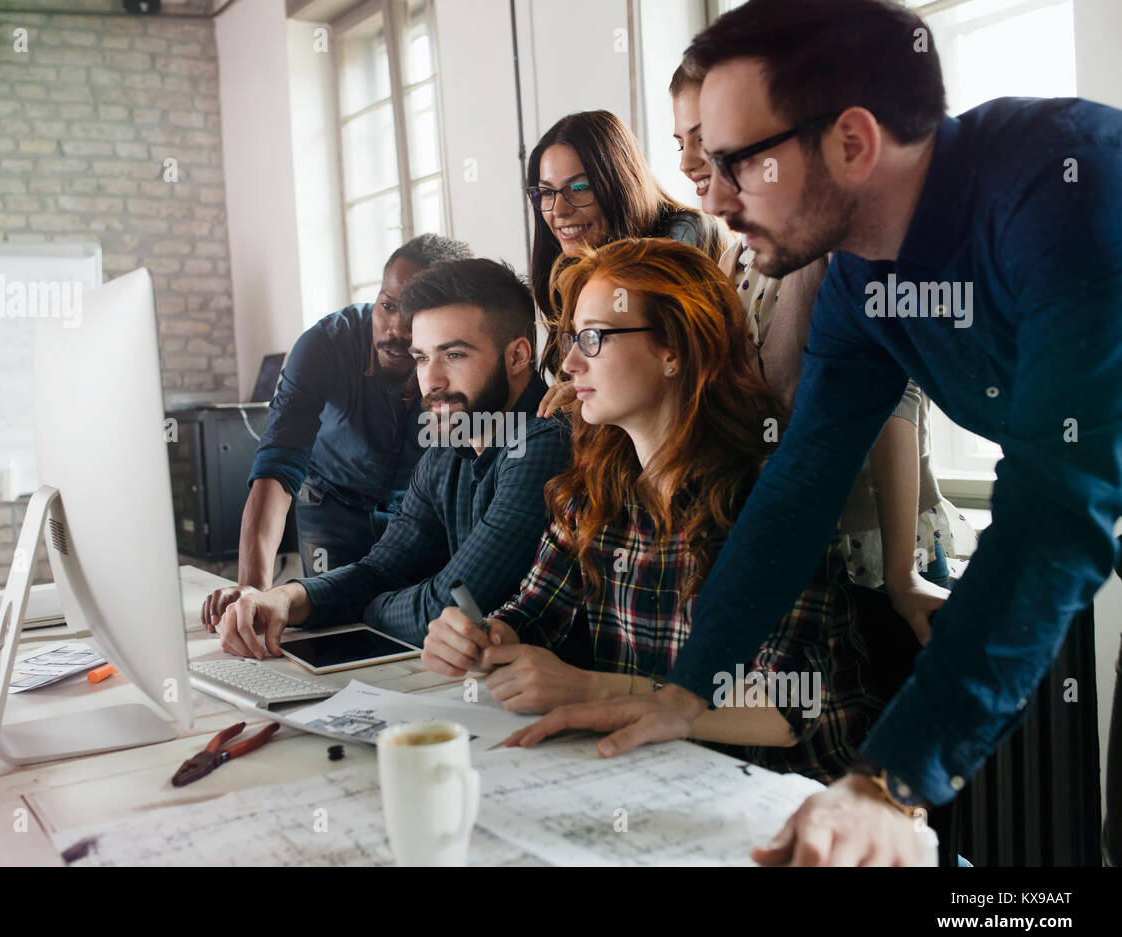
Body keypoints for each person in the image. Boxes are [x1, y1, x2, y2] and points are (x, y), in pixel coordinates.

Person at [509, 0, 1122, 868]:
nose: (712, 196)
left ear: (851, 143)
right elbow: (799, 489)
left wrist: (889, 783)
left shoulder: (1074, 191)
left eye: (736, 164)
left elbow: (1056, 508)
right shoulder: (860, 279)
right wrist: (689, 692)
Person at [424, 238, 881, 783]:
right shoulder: (590, 490)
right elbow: (531, 617)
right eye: (572, 340)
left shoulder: (769, 492)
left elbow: (786, 708)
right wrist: (481, 639)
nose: (569, 363)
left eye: (592, 339)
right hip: (651, 782)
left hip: (787, 806)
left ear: (674, 349)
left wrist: (591, 687)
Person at [668, 61, 977, 657]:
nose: (686, 161)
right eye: (679, 142)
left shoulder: (834, 243)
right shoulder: (729, 261)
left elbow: (894, 401)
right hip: (798, 544)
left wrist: (901, 576)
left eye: (702, 139)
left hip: (877, 549)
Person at [213, 258, 572, 655]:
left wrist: (366, 606)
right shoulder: (449, 444)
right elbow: (382, 569)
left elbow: (446, 609)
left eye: (453, 355)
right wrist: (284, 599)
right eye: (422, 358)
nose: (431, 381)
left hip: (556, 693)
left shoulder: (542, 443)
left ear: (518, 356)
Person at [201, 234, 471, 632]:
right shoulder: (325, 344)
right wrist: (253, 589)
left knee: (406, 628)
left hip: (413, 514)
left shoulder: (457, 363)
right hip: (331, 503)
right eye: (387, 305)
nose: (395, 328)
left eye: (413, 314)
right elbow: (278, 465)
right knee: (325, 625)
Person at [526, 110, 727, 374]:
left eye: (579, 188)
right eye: (547, 192)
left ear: (620, 183)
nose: (559, 210)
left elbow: (674, 374)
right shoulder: (566, 268)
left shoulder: (686, 233)